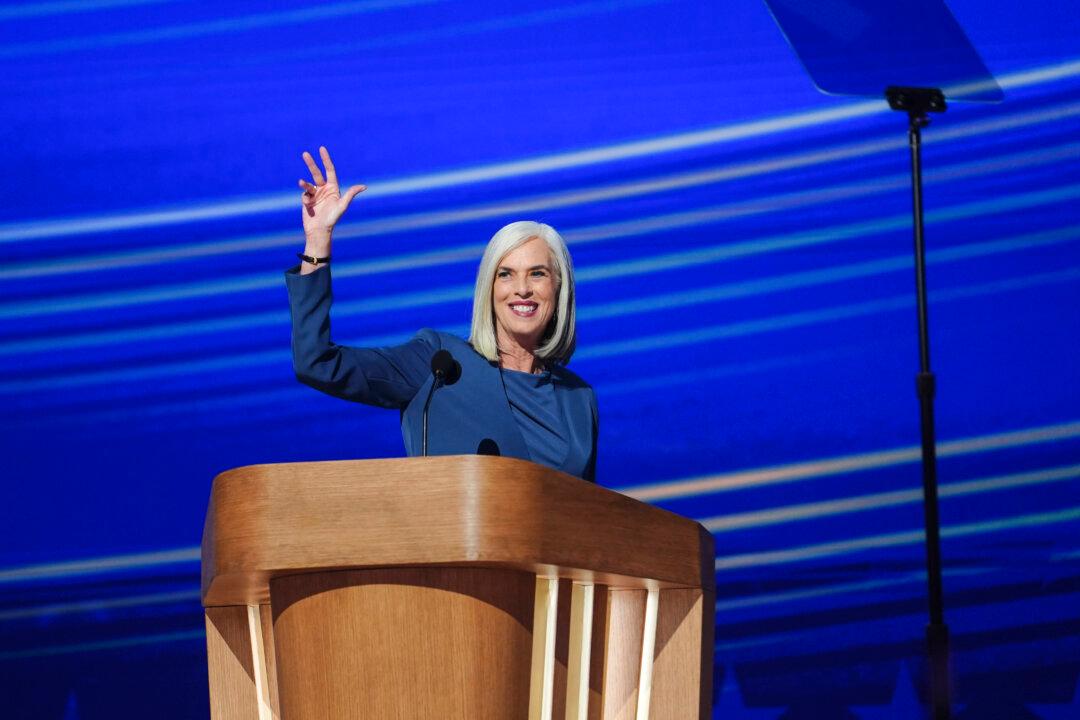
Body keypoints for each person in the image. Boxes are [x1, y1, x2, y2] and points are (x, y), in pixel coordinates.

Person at [285, 147, 598, 482]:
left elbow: (586, 513)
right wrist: (318, 242)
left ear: (558, 288)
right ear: (488, 289)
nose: (521, 288)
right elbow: (316, 363)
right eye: (505, 274)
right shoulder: (440, 366)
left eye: (537, 274)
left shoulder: (579, 398)